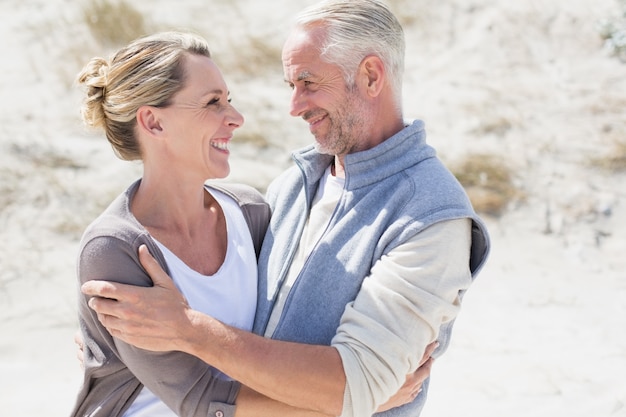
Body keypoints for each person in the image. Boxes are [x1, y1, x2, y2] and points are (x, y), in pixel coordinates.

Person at [82, 1, 490, 417]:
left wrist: (188, 329)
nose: (294, 106)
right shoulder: (290, 188)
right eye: (290, 85)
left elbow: (355, 384)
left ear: (370, 75)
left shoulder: (431, 217)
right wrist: (112, 352)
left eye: (308, 82)